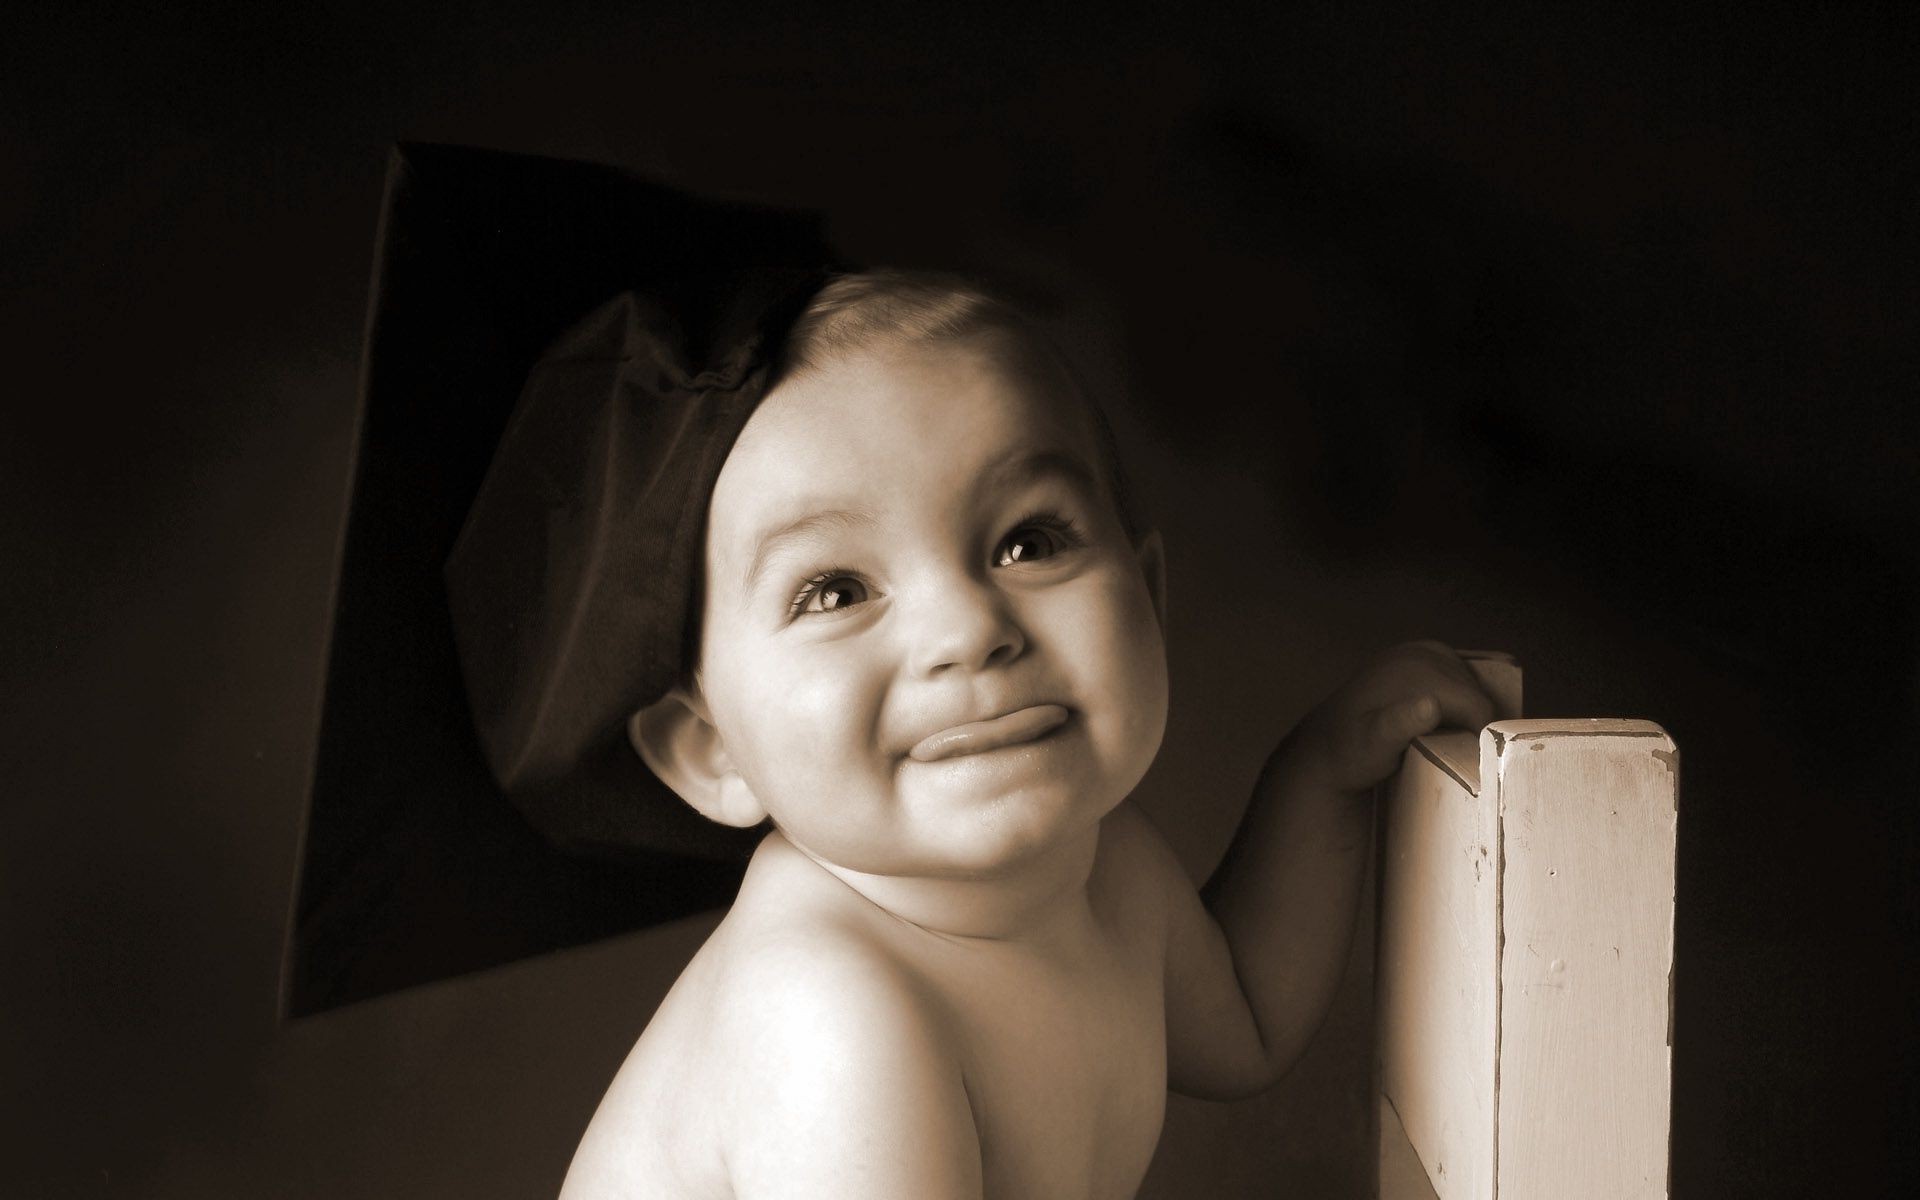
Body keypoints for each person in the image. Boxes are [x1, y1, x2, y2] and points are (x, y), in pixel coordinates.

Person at [552, 271, 1495, 1199]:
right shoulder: (830, 1014)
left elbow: (1242, 1019)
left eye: (1029, 542)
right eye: (836, 591)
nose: (967, 627)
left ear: (1148, 599)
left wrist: (1325, 769)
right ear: (709, 751)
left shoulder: (1107, 864)